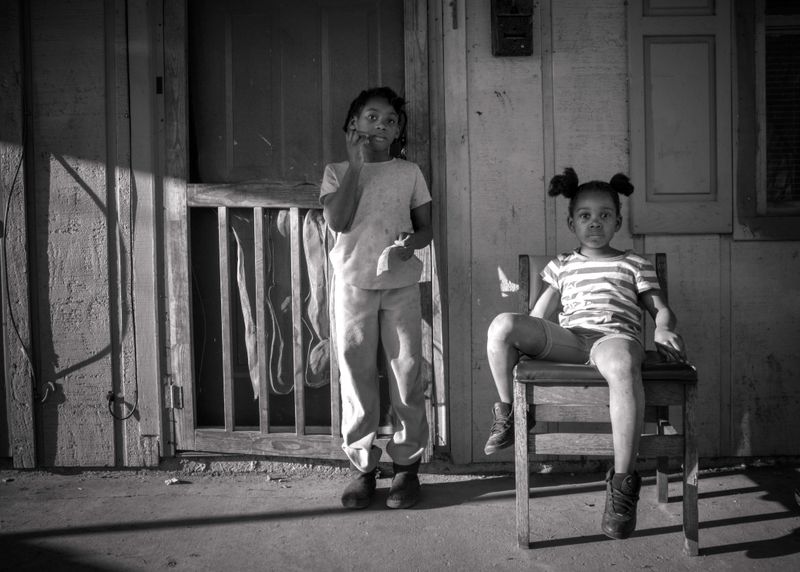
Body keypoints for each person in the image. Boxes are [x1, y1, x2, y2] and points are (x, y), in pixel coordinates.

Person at [483, 167, 687, 539]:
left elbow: (660, 308)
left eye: (604, 215)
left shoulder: (633, 264)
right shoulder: (562, 265)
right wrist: (523, 337)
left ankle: (623, 483)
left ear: (618, 221)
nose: (595, 223)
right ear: (571, 223)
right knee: (501, 325)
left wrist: (663, 327)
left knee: (623, 363)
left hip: (613, 340)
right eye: (585, 216)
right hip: (570, 339)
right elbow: (539, 316)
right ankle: (510, 414)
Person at [320, 87, 433, 510]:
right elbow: (338, 219)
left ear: (398, 130)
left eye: (389, 120)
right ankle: (363, 467)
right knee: (356, 374)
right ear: (353, 126)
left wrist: (412, 242)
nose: (380, 125)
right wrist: (355, 166)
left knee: (406, 374)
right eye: (371, 117)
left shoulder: (410, 172)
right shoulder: (336, 171)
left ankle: (407, 466)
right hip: (353, 287)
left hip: (401, 286)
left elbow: (426, 229)